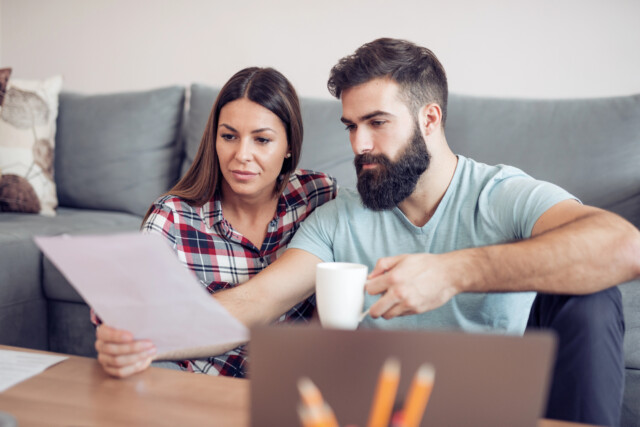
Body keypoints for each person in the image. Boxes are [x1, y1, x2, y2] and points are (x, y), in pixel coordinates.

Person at [97, 39, 640, 425]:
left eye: (377, 123)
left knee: (592, 298)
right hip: (384, 411)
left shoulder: (500, 194)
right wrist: (145, 334)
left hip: (488, 405)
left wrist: (453, 273)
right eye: (351, 126)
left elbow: (622, 246)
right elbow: (255, 302)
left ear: (429, 119)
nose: (359, 145)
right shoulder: (340, 215)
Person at [93, 67, 337, 378]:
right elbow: (132, 317)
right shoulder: (172, 219)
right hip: (200, 386)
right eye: (229, 136)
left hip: (291, 383)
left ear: (289, 145)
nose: (242, 155)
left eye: (262, 139)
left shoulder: (318, 195)